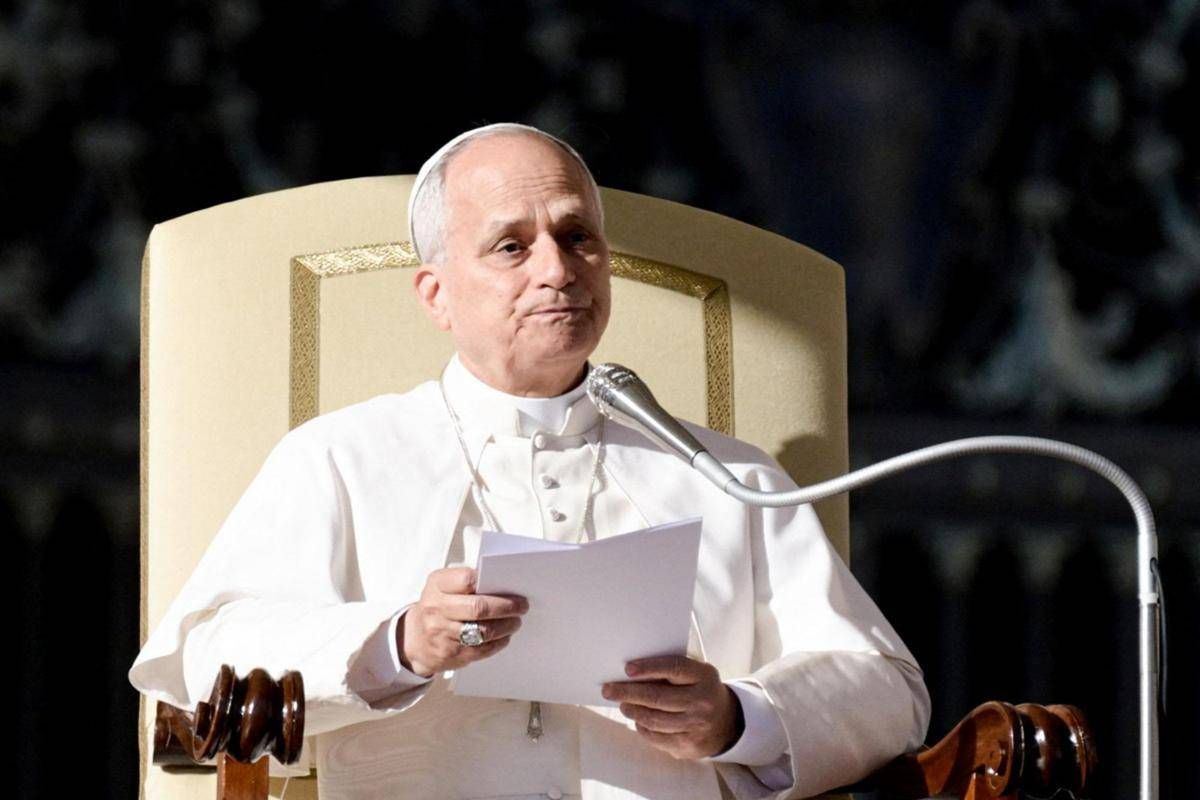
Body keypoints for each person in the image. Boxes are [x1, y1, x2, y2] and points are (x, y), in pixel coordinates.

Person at [130, 123, 930, 800]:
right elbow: (201, 659)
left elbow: (889, 691)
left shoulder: (728, 477)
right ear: (436, 294)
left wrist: (735, 717)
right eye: (511, 246)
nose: (558, 269)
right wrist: (399, 643)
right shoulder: (340, 458)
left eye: (578, 237)